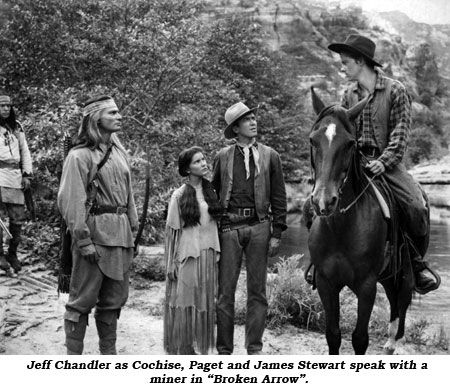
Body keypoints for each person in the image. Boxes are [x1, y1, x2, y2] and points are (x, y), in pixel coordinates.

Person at [327, 33, 438, 293]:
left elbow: (400, 136)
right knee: (319, 200)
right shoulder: (348, 95)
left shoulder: (396, 90)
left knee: (415, 205)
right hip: (354, 163)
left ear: (360, 61)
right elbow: (344, 134)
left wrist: (383, 162)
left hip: (388, 164)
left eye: (345, 62)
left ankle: (416, 264)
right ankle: (320, 261)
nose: (342, 67)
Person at [57, 95, 138, 354]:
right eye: (112, 113)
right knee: (81, 301)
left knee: (114, 301)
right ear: (95, 119)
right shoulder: (79, 156)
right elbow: (72, 200)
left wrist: (132, 231)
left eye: (118, 112)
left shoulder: (119, 153)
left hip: (120, 236)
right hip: (94, 236)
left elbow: (129, 197)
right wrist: (82, 240)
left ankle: (108, 359)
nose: (119, 117)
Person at [212, 102, 287, 355]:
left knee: (258, 292)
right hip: (228, 229)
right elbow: (212, 195)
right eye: (247, 120)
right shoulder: (222, 157)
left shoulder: (270, 155)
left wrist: (277, 233)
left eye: (254, 118)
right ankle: (224, 350)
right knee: (225, 293)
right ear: (236, 128)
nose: (254, 122)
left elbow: (279, 197)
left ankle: (254, 349)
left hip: (259, 228)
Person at [164, 146, 221, 355]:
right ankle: (183, 347)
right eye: (197, 162)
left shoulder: (211, 191)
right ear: (187, 169)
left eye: (203, 159)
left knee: (203, 299)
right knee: (185, 300)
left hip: (207, 254)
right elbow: (172, 233)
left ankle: (198, 347)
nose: (203, 163)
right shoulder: (179, 195)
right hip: (188, 255)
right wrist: (171, 262)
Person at [0, 93, 32, 273]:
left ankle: (12, 253)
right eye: (2, 106)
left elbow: (25, 152)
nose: (6, 109)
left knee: (17, 218)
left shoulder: (16, 128)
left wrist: (27, 175)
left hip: (15, 177)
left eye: (8, 106)